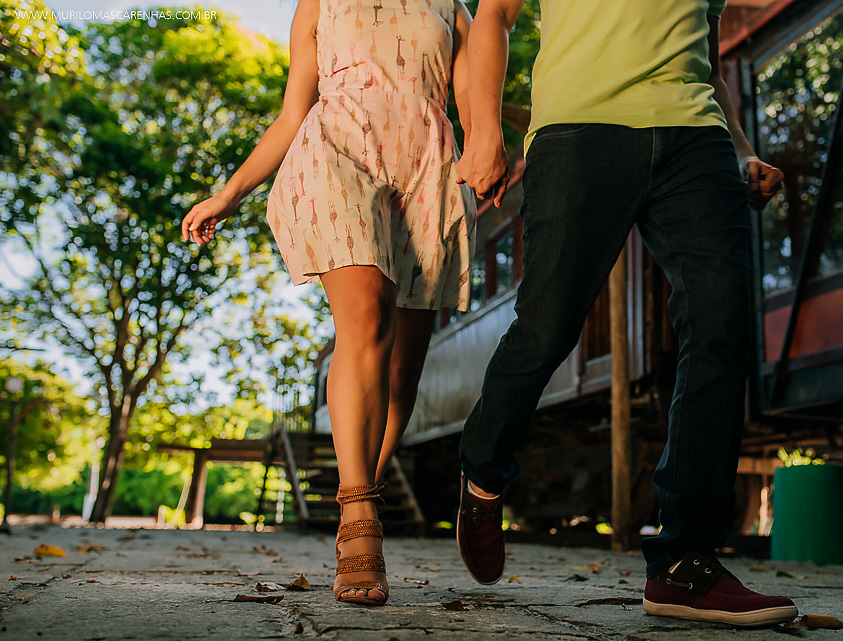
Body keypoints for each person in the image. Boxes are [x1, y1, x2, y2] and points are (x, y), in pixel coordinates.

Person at [454, 0, 798, 627]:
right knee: (547, 328)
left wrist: (743, 150)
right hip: (579, 132)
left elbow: (708, 64)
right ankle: (481, 472)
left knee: (722, 326)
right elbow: (495, 14)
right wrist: (483, 131)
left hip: (698, 141)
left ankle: (685, 563)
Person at [182, 0, 476, 606]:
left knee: (400, 377)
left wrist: (492, 146)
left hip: (427, 164)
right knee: (365, 322)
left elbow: (474, 100)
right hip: (337, 150)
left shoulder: (451, 5)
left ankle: (361, 486)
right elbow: (295, 111)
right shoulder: (317, 3)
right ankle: (358, 520)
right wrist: (230, 193)